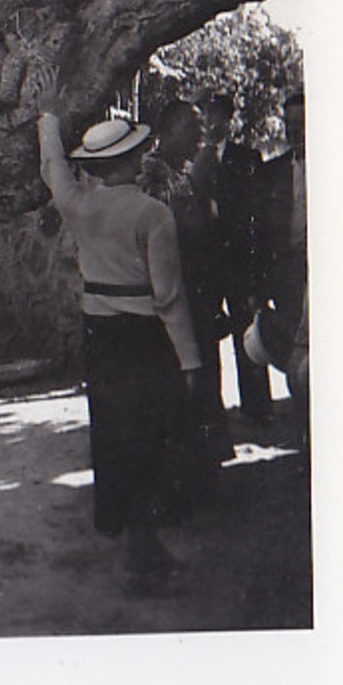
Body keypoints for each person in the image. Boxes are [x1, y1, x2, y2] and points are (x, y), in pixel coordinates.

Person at [32, 68, 206, 596]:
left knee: (114, 435)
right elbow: (169, 298)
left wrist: (48, 117)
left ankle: (134, 541)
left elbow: (52, 165)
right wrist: (192, 363)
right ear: (131, 161)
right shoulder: (154, 214)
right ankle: (143, 550)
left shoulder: (78, 205)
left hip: (100, 337)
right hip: (144, 339)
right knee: (154, 437)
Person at [141, 100, 233, 505]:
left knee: (203, 382)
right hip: (171, 296)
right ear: (168, 129)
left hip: (199, 292)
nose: (201, 135)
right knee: (179, 387)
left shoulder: (183, 169)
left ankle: (203, 472)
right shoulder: (151, 174)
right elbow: (174, 230)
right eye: (192, 127)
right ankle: (179, 482)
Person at [197, 93, 271, 423]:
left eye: (218, 116)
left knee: (247, 334)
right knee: (207, 337)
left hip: (240, 262)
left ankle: (257, 409)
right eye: (207, 116)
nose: (212, 123)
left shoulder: (247, 158)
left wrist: (257, 270)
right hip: (207, 266)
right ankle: (213, 413)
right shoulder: (193, 161)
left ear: (229, 120)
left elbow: (258, 215)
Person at [256, 91, 307, 427]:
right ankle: (305, 427)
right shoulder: (271, 172)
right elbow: (259, 233)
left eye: (301, 123)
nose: (294, 131)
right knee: (294, 354)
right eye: (289, 124)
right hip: (287, 274)